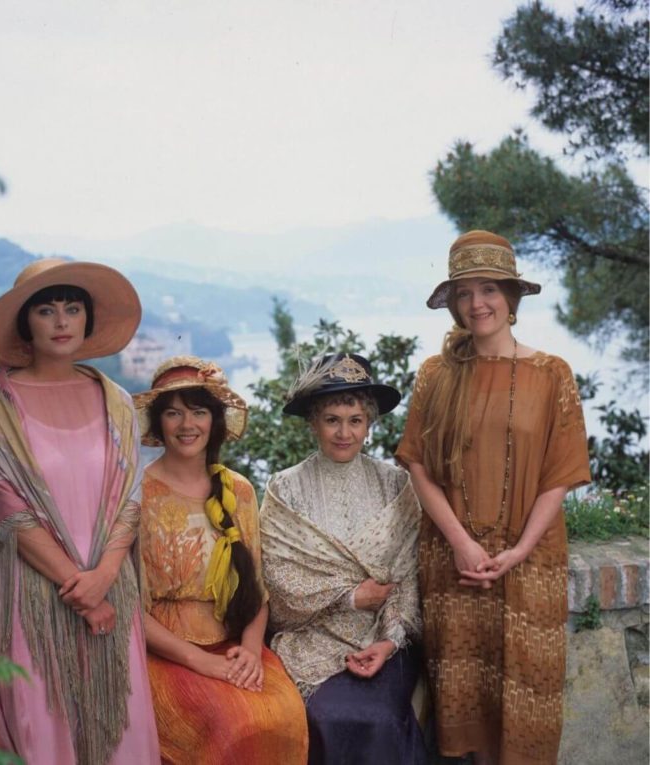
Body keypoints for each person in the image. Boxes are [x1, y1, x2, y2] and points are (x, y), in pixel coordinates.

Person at [395, 230, 591, 765]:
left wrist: (521, 550)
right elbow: (416, 462)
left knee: (527, 706)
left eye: (488, 289)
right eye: (464, 292)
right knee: (465, 709)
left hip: (530, 566)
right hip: (453, 564)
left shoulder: (552, 374)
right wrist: (461, 543)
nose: (477, 303)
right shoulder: (435, 374)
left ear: (511, 296)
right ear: (454, 303)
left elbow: (559, 474)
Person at [0, 258, 160, 765]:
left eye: (72, 309)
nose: (61, 321)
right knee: (43, 727)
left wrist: (103, 576)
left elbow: (131, 498)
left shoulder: (116, 400)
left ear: (86, 320)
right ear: (25, 323)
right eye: (46, 310)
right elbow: (7, 510)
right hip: (36, 597)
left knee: (119, 728)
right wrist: (81, 590)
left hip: (111, 590)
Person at [132, 356, 308, 765]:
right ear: (159, 424)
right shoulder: (137, 495)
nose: (186, 424)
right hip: (163, 651)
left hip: (234, 646)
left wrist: (249, 650)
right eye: (173, 413)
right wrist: (201, 662)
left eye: (198, 411)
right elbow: (130, 609)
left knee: (283, 715)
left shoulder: (239, 491)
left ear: (215, 420)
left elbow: (256, 590)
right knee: (227, 724)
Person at [260, 352, 427, 765]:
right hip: (311, 637)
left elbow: (408, 575)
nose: (343, 433)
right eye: (332, 419)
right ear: (314, 422)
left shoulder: (396, 485)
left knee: (379, 718)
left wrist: (389, 642)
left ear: (369, 424)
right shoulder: (286, 488)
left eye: (355, 420)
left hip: (386, 634)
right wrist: (350, 597)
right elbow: (278, 577)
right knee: (323, 713)